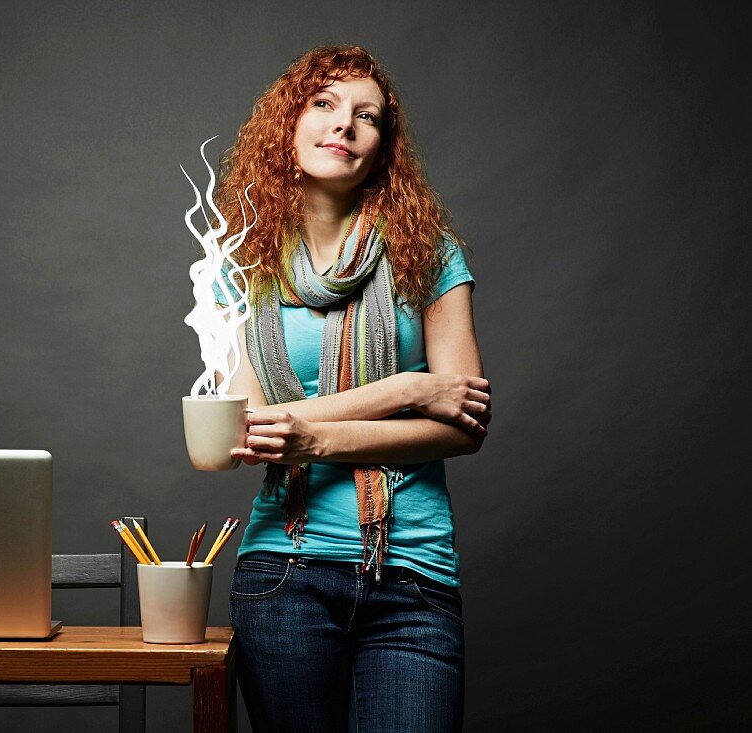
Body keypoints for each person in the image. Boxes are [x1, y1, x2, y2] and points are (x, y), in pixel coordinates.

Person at [211, 45, 491, 732]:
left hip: (412, 576)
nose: (345, 124)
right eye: (326, 104)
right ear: (288, 124)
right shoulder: (238, 264)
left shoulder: (428, 252)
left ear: (381, 149)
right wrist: (408, 386)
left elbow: (464, 423)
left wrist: (316, 435)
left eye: (367, 116)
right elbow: (242, 430)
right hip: (283, 573)